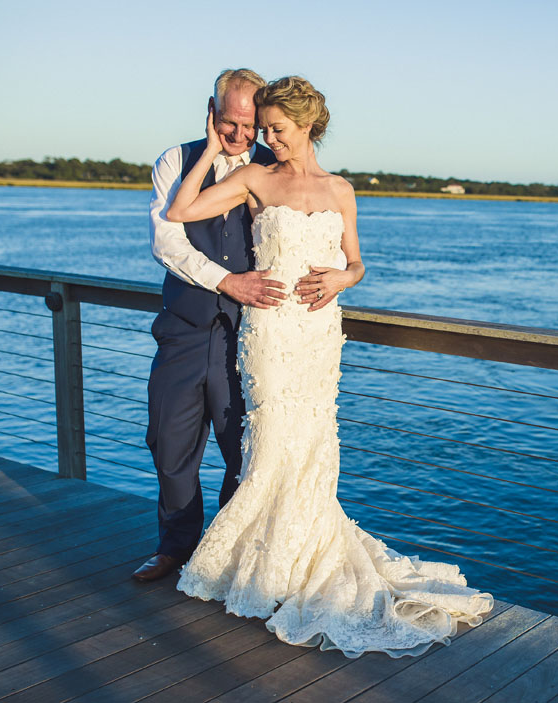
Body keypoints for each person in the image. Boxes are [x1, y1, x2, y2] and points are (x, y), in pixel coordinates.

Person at [166, 76, 493, 657]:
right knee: (270, 444)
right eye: (264, 128)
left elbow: (358, 262)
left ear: (310, 126)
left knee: (313, 443)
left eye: (277, 129)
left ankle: (296, 562)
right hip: (269, 332)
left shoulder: (340, 189)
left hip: (318, 334)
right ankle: (263, 568)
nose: (267, 138)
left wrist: (343, 277)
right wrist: (214, 149)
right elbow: (182, 209)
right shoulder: (255, 178)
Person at [134, 69, 282, 583]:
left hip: (246, 337)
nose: (238, 135)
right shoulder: (175, 161)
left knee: (243, 446)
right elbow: (167, 242)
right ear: (211, 110)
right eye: (228, 122)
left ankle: (223, 554)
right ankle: (175, 547)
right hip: (183, 329)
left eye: (249, 124)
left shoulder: (272, 168)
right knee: (168, 443)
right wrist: (227, 281)